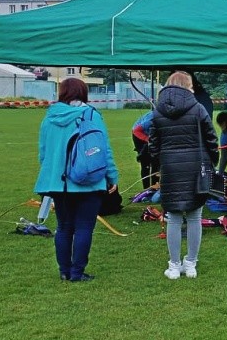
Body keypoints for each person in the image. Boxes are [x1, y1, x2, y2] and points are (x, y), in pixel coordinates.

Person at [34, 78, 119, 282]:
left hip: (58, 183)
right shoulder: (91, 115)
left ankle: (64, 270)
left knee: (64, 227)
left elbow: (43, 153)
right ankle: (77, 272)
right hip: (87, 181)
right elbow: (103, 150)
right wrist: (112, 176)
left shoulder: (49, 117)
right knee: (83, 227)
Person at [150, 72, 219, 280]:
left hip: (170, 167)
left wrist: (160, 163)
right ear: (188, 86)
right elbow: (211, 138)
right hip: (195, 166)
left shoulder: (157, 112)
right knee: (194, 216)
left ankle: (174, 265)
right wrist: (212, 160)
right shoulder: (198, 109)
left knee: (174, 217)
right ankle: (190, 263)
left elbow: (153, 144)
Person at [131, 108, 159, 189]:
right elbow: (136, 131)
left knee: (156, 161)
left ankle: (155, 188)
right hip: (139, 135)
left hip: (151, 135)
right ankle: (146, 189)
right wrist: (148, 140)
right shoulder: (152, 118)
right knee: (145, 163)